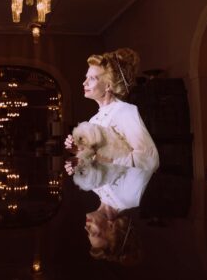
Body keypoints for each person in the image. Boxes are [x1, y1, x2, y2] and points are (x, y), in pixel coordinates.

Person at [64, 48, 159, 262]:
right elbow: (106, 156)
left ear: (108, 86)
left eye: (91, 78)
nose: (84, 82)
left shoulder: (125, 111)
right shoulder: (97, 118)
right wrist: (79, 153)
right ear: (110, 227)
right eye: (94, 233)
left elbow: (150, 158)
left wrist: (102, 159)